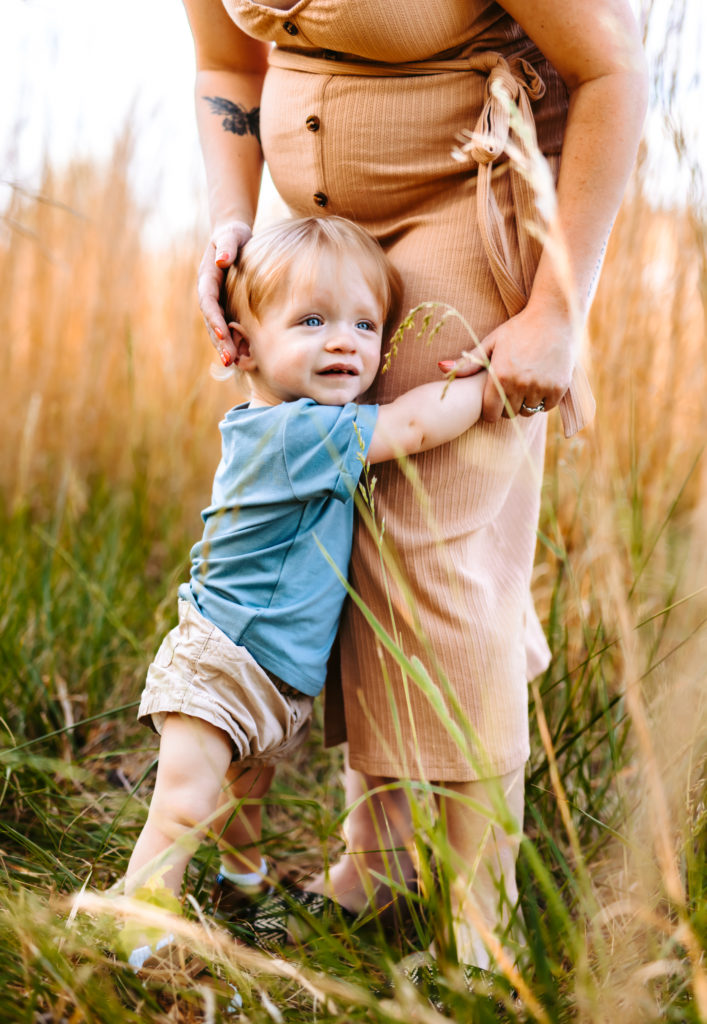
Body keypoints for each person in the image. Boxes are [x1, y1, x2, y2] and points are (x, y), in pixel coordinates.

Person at [181, 0, 648, 967]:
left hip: (463, 199)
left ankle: (485, 919)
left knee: (430, 537)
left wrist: (559, 307)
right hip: (319, 240)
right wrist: (231, 226)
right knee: (342, 531)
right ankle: (381, 866)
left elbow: (610, 68)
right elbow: (226, 67)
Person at [123, 215, 489, 967]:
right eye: (312, 320)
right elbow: (417, 425)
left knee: (239, 800)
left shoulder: (302, 423)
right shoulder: (297, 435)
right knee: (187, 804)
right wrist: (490, 382)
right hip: (225, 666)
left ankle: (243, 887)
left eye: (365, 323)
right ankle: (136, 918)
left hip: (265, 673)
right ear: (244, 345)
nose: (344, 342)